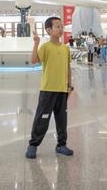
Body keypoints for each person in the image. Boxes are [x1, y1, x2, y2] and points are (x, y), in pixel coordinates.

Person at [25, 16, 73, 159]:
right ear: (49, 30)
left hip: (62, 90)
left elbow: (68, 67)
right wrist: (36, 43)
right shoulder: (45, 47)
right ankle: (33, 145)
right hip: (47, 89)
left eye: (61, 26)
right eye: (57, 26)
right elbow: (34, 60)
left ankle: (61, 145)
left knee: (62, 119)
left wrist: (69, 86)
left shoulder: (65, 48)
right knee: (42, 118)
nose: (61, 29)